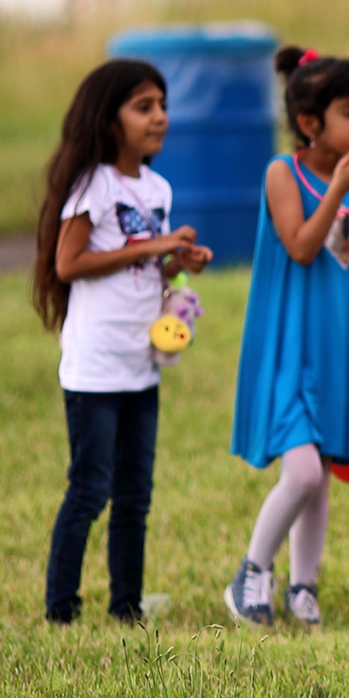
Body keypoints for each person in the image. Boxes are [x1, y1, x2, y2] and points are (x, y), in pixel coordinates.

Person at [32, 59, 213, 625]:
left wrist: (176, 263)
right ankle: (61, 609)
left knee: (136, 495)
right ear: (109, 120)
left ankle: (126, 607)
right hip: (95, 369)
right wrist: (152, 245)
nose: (159, 117)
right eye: (143, 107)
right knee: (90, 490)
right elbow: (68, 263)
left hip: (141, 363)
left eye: (162, 106)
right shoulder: (95, 185)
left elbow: (144, 268)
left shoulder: (157, 188)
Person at [224, 46, 349, 628]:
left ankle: (303, 587)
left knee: (321, 475)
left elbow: (346, 269)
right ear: (309, 123)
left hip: (334, 349)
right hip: (289, 347)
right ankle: (250, 573)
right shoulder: (283, 173)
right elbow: (300, 245)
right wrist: (339, 188)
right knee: (302, 472)